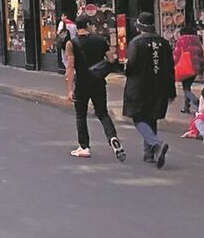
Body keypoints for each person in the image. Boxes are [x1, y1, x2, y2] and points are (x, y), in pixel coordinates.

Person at [64, 16, 125, 161]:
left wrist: (70, 89)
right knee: (103, 113)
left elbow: (71, 67)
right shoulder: (100, 40)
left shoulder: (71, 44)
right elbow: (111, 59)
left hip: (82, 84)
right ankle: (112, 138)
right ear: (88, 25)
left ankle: (84, 147)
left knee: (81, 115)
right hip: (98, 82)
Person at [123, 12, 176, 168]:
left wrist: (125, 66)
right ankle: (149, 153)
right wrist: (171, 90)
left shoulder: (135, 43)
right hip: (159, 85)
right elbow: (170, 68)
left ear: (139, 27)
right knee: (151, 116)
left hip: (138, 86)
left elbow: (130, 66)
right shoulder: (164, 43)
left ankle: (155, 143)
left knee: (138, 117)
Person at [172, 25, 204, 113]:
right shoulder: (197, 41)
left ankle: (196, 102)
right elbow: (201, 55)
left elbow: (176, 55)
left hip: (185, 68)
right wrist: (201, 69)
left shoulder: (181, 41)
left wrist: (173, 66)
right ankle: (186, 107)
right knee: (187, 87)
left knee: (186, 89)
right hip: (195, 68)